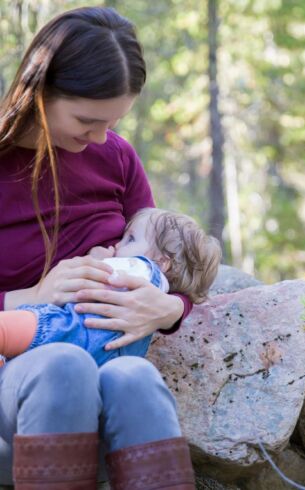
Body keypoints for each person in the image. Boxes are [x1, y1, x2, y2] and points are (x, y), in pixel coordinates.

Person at [0, 6, 208, 489]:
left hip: (110, 365)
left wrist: (167, 308)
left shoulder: (117, 156)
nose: (100, 138)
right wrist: (32, 296)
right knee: (62, 363)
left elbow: (169, 260)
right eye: (87, 120)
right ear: (41, 91)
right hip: (19, 372)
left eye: (113, 122)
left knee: (135, 378)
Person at [0, 207, 221, 367]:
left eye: (130, 239)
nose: (117, 244)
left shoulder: (143, 269)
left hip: (69, 330)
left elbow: (97, 279)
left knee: (17, 327)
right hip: (105, 360)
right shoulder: (154, 291)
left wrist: (95, 259)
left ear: (162, 262)